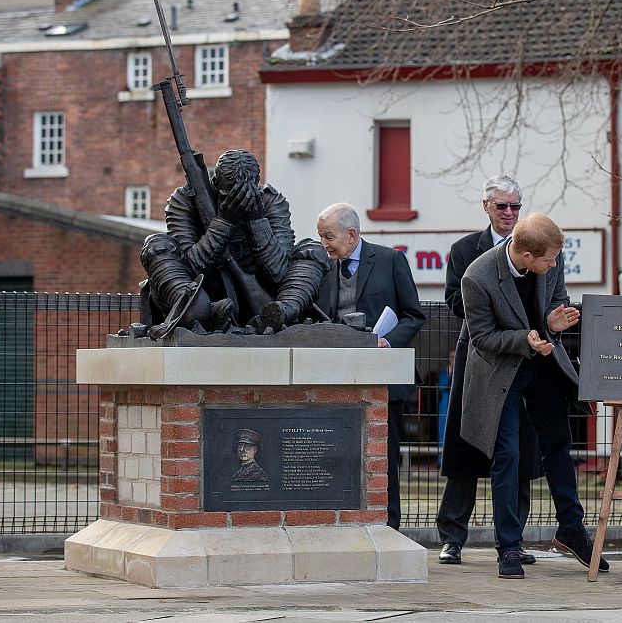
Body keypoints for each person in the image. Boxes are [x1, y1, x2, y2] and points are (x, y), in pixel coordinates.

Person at [460, 212, 608, 579]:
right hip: (501, 372)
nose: (555, 265)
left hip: (544, 364)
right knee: (506, 456)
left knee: (559, 446)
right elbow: (481, 338)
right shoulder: (477, 277)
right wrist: (523, 338)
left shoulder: (548, 263)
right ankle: (508, 547)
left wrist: (552, 325)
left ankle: (571, 529)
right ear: (526, 256)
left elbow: (556, 304)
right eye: (549, 259)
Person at [435, 175, 543, 567]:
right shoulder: (465, 250)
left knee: (520, 453)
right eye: (502, 207)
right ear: (486, 207)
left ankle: (514, 538)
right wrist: (495, 310)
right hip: (479, 358)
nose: (510, 214)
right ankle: (452, 538)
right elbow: (453, 299)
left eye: (516, 206)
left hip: (521, 360)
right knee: (466, 449)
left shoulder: (535, 247)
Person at [314, 202, 426, 530]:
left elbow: (413, 315)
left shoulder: (390, 260)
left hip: (384, 381)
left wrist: (387, 341)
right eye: (320, 236)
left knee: (383, 459)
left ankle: (388, 528)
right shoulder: (321, 266)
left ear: (352, 234)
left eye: (329, 236)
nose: (324, 243)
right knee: (336, 457)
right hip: (337, 379)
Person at [141, 149, 326, 335]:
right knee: (156, 246)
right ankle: (200, 313)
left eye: (247, 195)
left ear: (256, 186)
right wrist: (223, 222)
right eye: (232, 196)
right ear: (216, 183)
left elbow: (278, 271)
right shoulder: (184, 200)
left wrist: (257, 219)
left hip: (264, 295)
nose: (240, 202)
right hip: (205, 294)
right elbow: (191, 267)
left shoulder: (271, 201)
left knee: (313, 250)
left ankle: (283, 312)